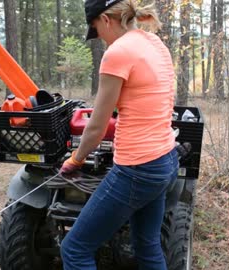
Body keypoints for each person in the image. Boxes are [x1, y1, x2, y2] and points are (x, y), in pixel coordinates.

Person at [59, 0, 179, 269]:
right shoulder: (154, 43)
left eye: (96, 30)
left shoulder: (118, 52)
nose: (99, 38)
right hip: (165, 159)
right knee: (147, 246)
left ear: (105, 19)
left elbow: (97, 127)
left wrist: (75, 161)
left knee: (75, 249)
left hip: (137, 168)